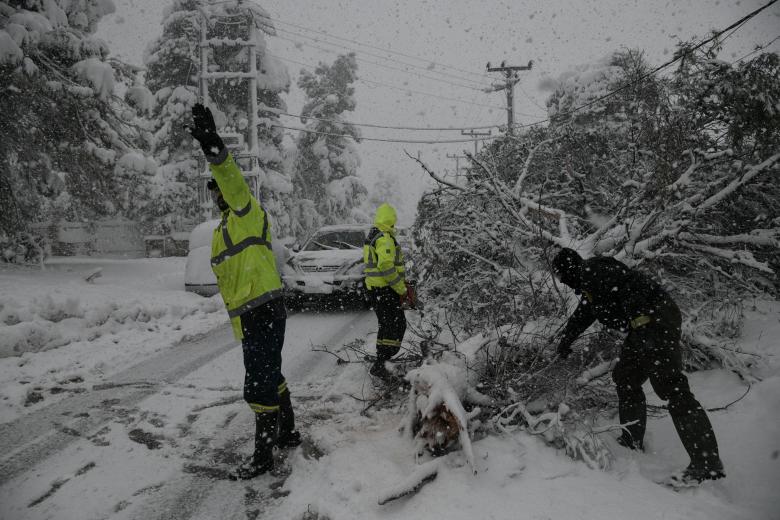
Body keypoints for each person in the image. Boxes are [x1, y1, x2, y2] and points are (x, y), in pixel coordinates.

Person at [189, 103, 300, 479]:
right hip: (252, 316)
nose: (216, 193)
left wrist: (213, 147)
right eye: (214, 189)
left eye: (218, 187)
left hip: (263, 310)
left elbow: (231, 176)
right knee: (272, 377)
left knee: (257, 387)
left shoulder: (244, 210)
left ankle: (263, 458)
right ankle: (288, 434)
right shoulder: (223, 229)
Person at [551, 248, 725, 485]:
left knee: (671, 388)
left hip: (654, 322)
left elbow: (607, 296)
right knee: (625, 377)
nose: (566, 284)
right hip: (643, 326)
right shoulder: (590, 281)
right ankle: (631, 440)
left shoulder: (594, 269)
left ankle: (706, 463)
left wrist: (633, 321)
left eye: (563, 278)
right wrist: (565, 339)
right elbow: (585, 313)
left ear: (570, 269)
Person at [363, 203, 408, 382]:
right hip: (386, 290)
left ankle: (382, 361)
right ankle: (383, 364)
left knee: (386, 325)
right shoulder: (385, 238)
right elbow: (386, 266)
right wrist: (401, 288)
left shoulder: (373, 236)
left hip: (375, 290)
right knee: (396, 326)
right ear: (391, 220)